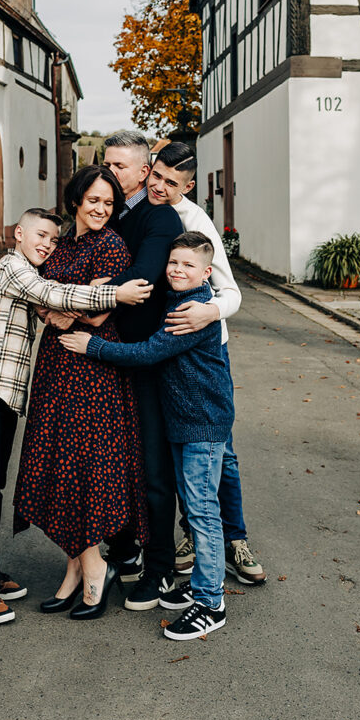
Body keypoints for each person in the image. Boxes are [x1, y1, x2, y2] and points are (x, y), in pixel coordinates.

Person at [0, 206, 152, 625]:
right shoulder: (14, 268)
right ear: (18, 234)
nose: (46, 244)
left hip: (5, 394)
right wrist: (114, 292)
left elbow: (54, 301)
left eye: (52, 238)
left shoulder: (33, 272)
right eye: (39, 236)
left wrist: (71, 300)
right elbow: (53, 297)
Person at [60, 232, 233, 641]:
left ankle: (211, 602)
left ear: (206, 272)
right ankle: (203, 585)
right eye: (173, 262)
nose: (177, 269)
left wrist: (92, 346)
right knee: (194, 507)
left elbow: (147, 354)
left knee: (203, 511)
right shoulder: (175, 298)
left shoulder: (194, 309)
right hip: (184, 422)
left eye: (188, 265)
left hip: (202, 425)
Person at [12, 167, 150, 621]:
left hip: (91, 372)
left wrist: (71, 307)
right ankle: (75, 570)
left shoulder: (111, 245)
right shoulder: (63, 244)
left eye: (108, 203)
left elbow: (93, 316)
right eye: (93, 200)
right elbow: (39, 297)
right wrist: (70, 304)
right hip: (56, 365)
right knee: (60, 462)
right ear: (76, 200)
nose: (100, 209)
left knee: (84, 466)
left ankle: (95, 570)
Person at [147, 142, 265, 587]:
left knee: (221, 452)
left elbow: (231, 293)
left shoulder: (197, 224)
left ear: (188, 186)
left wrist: (209, 312)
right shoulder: (140, 205)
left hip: (203, 348)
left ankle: (234, 540)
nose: (159, 186)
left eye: (171, 183)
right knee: (177, 444)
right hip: (163, 344)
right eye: (156, 175)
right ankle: (191, 535)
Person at [100, 130, 183, 609]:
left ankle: (161, 569)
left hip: (148, 357)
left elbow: (143, 277)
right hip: (107, 354)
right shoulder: (105, 212)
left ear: (143, 171)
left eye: (119, 167)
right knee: (114, 459)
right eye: (105, 164)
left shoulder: (159, 216)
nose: (110, 173)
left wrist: (79, 300)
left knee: (152, 467)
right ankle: (124, 548)